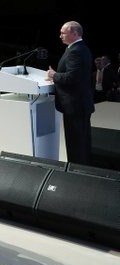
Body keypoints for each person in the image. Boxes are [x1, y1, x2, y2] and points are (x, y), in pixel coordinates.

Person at [46, 21, 94, 164]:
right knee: (81, 142)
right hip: (79, 104)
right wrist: (56, 77)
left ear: (74, 33)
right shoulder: (78, 48)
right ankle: (82, 169)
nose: (60, 35)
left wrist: (53, 75)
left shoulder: (76, 51)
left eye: (63, 33)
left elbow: (72, 77)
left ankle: (77, 172)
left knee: (76, 144)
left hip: (75, 105)